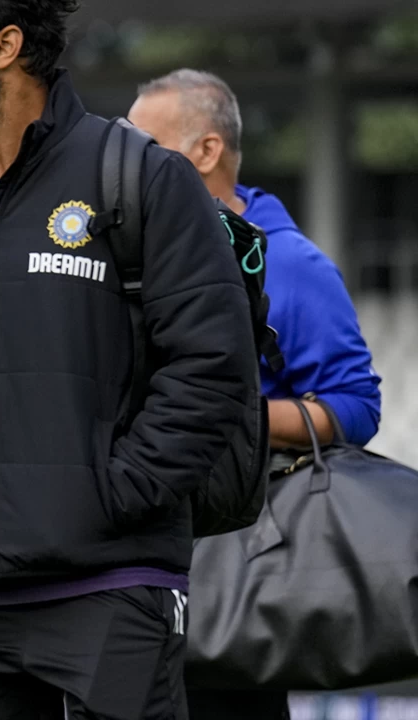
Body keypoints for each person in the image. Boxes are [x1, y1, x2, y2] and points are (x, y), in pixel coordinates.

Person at [0, 0, 259, 717]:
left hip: (108, 589)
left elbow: (212, 364)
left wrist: (116, 494)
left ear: (4, 46)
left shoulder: (142, 178)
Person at [128, 68, 383, 720]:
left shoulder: (289, 263)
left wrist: (226, 417)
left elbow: (356, 406)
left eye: (145, 146)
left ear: (207, 150)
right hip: (129, 559)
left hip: (233, 568)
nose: (127, 163)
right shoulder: (128, 251)